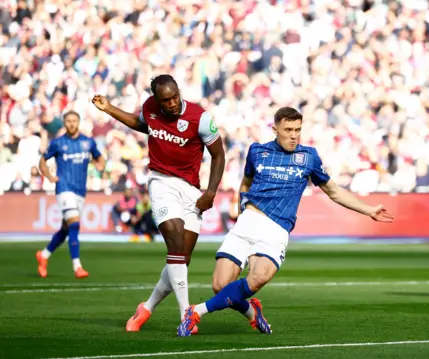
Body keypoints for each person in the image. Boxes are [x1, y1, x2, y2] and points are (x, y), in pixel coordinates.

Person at [177, 107, 395, 337]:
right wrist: (242, 213)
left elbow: (334, 191)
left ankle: (197, 311)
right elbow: (245, 184)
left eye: (298, 130)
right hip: (247, 221)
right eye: (288, 130)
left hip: (277, 227)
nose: (294, 135)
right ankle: (253, 312)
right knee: (220, 286)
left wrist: (369, 209)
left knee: (258, 277)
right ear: (275, 129)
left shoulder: (308, 156)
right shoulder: (257, 151)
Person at [91, 74, 226, 333]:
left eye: (175, 96)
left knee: (180, 260)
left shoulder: (201, 118)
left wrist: (211, 191)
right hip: (161, 181)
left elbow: (219, 155)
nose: (173, 103)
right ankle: (186, 314)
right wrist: (109, 109)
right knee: (174, 242)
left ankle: (147, 307)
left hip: (191, 190)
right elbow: (143, 124)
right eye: (166, 100)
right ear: (156, 100)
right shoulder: (150, 108)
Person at [36, 110, 106, 279]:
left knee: (66, 229)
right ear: (64, 123)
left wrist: (100, 166)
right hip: (63, 188)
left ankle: (44, 255)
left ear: (79, 122)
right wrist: (49, 176)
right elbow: (42, 161)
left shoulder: (88, 142)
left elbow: (99, 158)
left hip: (80, 191)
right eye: (68, 121)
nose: (72, 124)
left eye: (74, 120)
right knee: (74, 224)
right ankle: (77, 267)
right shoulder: (58, 143)